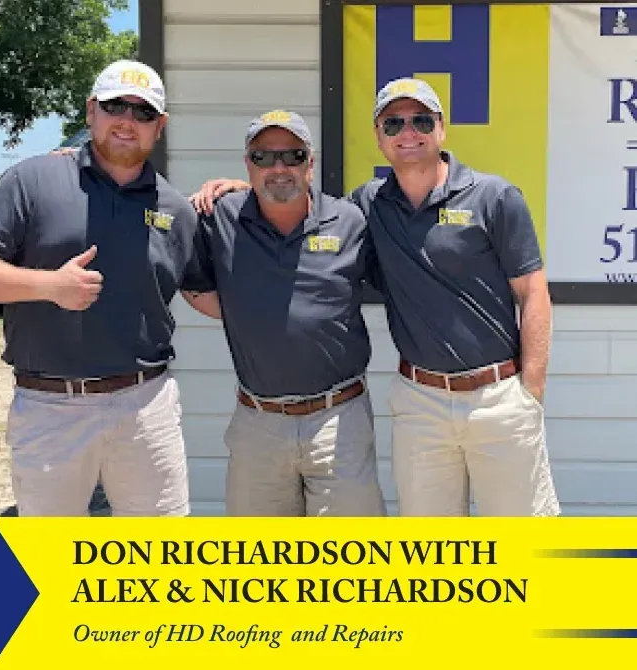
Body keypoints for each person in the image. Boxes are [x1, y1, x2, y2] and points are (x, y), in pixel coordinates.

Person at [190, 80, 560, 518]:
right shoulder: (367, 206)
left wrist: (529, 392)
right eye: (394, 122)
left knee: (524, 539)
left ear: (441, 128)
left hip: (497, 396)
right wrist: (247, 186)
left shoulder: (495, 197)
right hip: (419, 402)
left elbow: (533, 291)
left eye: (420, 120)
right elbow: (289, 202)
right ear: (379, 136)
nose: (408, 131)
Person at [0, 59, 213, 517]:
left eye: (143, 112)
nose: (127, 121)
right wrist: (50, 285)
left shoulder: (175, 207)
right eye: (116, 106)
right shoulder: (33, 180)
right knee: (48, 565)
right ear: (91, 111)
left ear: (161, 127)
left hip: (146, 404)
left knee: (159, 558)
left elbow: (200, 291)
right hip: (51, 405)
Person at [181, 110, 387, 517]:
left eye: (292, 156)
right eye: (263, 158)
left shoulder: (349, 221)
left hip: (339, 421)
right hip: (258, 422)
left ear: (311, 164)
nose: (279, 168)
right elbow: (192, 282)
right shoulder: (220, 216)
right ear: (247, 164)